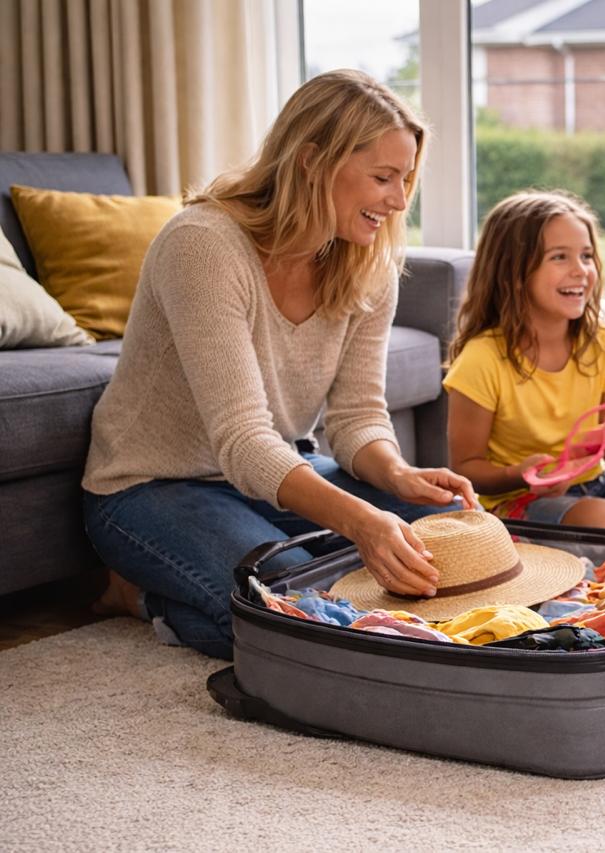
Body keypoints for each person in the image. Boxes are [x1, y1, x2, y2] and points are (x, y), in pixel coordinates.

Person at [82, 69, 478, 660]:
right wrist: (363, 523)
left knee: (453, 542)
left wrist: (396, 476)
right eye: (382, 177)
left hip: (278, 473)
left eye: (406, 180)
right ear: (312, 160)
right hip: (152, 487)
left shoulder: (366, 262)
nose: (398, 200)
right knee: (299, 613)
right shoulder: (203, 245)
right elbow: (242, 440)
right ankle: (140, 595)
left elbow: (356, 417)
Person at [443, 190, 605, 531]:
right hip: (521, 498)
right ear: (512, 272)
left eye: (586, 256)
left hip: (600, 481)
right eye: (559, 257)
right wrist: (522, 474)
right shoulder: (482, 359)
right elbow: (466, 468)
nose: (580, 270)